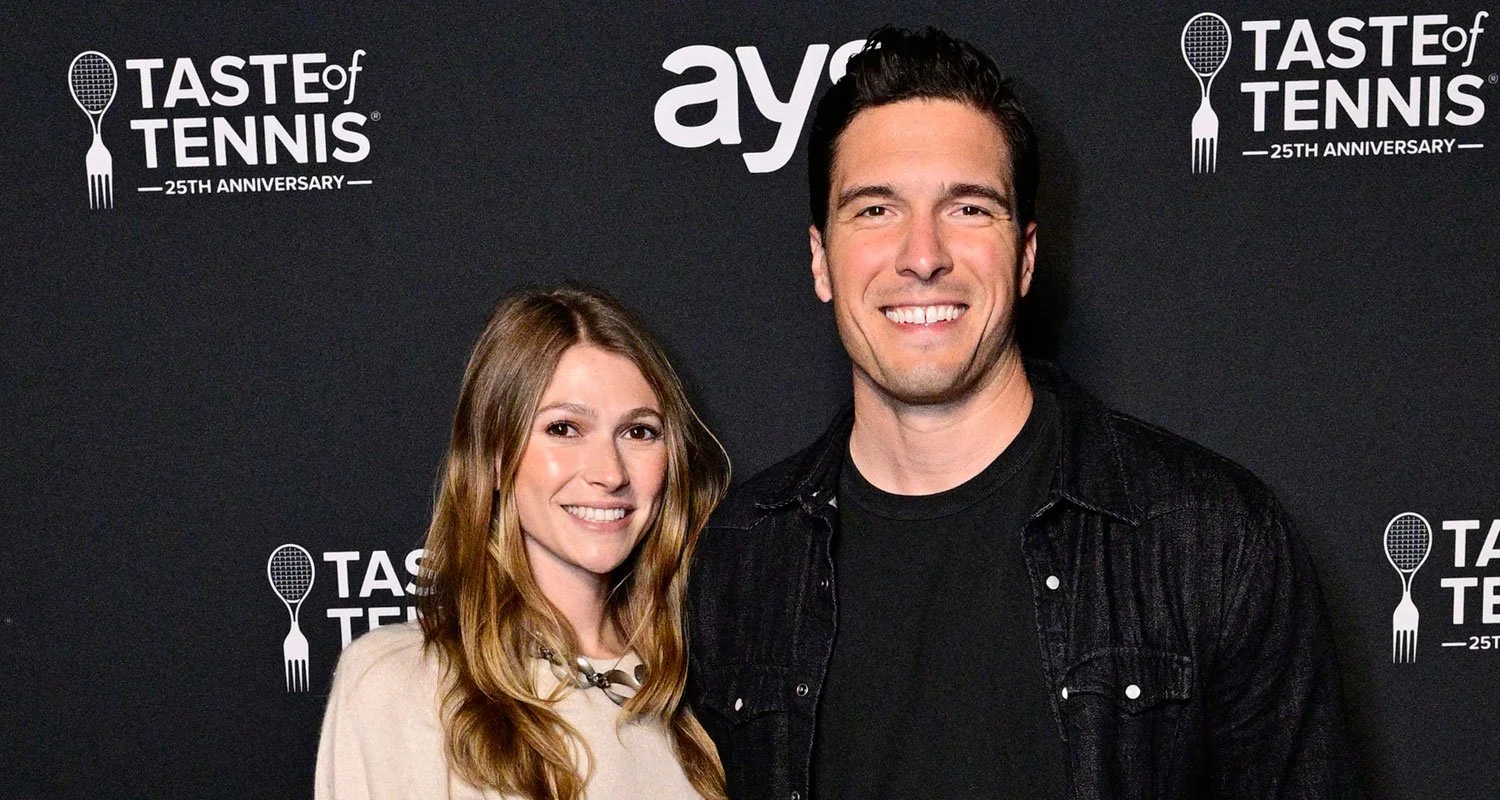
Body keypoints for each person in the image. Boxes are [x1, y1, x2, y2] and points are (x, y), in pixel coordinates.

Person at [686, 26, 1358, 800]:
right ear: (820, 259)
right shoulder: (739, 558)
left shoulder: (1210, 539)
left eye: (969, 209)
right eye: (875, 210)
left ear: (1026, 255)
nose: (923, 255)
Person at [316, 287, 729, 800]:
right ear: (493, 456)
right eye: (564, 428)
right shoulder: (400, 682)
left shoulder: (696, 700)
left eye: (639, 432)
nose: (610, 473)